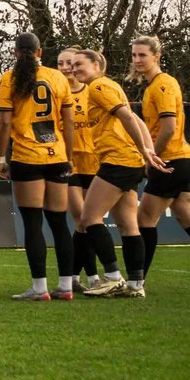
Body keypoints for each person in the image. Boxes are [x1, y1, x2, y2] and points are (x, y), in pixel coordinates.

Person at [63, 45, 170, 297]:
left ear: (97, 66)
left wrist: (146, 150)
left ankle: (112, 277)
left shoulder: (99, 87)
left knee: (89, 219)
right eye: (72, 65)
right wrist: (147, 150)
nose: (74, 68)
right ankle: (136, 285)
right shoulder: (107, 87)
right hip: (127, 160)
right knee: (127, 225)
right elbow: (137, 119)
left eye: (80, 64)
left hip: (118, 160)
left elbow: (128, 117)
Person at [0, 32, 79, 301]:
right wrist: (70, 156)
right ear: (40, 52)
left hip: (27, 156)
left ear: (15, 52)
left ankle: (40, 288)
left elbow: (5, 123)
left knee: (33, 223)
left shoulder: (10, 79)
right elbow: (68, 122)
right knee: (58, 222)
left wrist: (0, 158)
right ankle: (66, 286)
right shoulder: (58, 77)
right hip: (56, 155)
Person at [129, 34, 190, 286]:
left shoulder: (162, 85)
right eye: (135, 55)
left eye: (142, 55)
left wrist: (152, 157)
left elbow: (168, 128)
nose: (137, 60)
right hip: (181, 160)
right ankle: (137, 280)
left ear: (156, 57)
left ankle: (137, 281)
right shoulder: (155, 85)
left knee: (143, 219)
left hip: (172, 160)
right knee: (188, 219)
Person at [59, 45, 116, 288]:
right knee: (82, 219)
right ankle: (91, 276)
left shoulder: (92, 91)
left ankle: (76, 276)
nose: (65, 68)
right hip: (70, 164)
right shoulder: (56, 93)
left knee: (87, 222)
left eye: (69, 63)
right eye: (60, 63)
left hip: (94, 162)